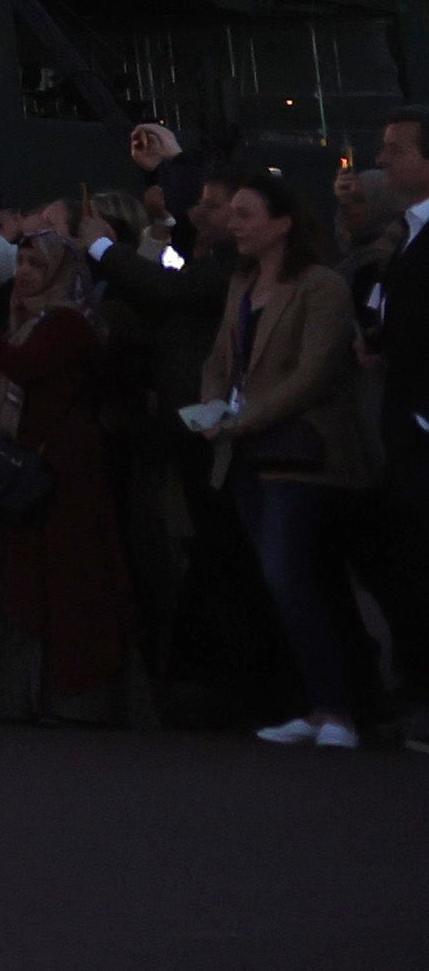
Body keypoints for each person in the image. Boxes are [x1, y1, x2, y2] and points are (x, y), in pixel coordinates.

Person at [185, 156, 366, 746]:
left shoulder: (321, 285)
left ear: (283, 222)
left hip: (300, 452)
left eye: (246, 213)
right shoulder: (241, 284)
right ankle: (315, 705)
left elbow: (313, 374)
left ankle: (337, 709)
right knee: (279, 578)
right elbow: (220, 358)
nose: (233, 224)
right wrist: (213, 407)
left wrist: (240, 419)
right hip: (246, 452)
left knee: (291, 574)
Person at [0, 226, 131, 722]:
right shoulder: (33, 320)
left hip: (65, 466)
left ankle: (78, 695)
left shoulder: (65, 323)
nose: (22, 273)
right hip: (40, 465)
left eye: (36, 265)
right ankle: (31, 694)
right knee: (30, 581)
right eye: (20, 263)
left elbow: (21, 365)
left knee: (69, 580)